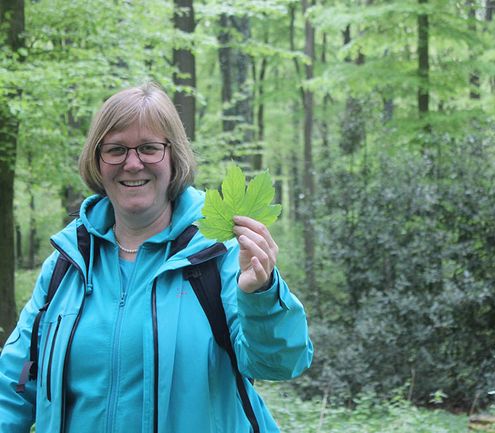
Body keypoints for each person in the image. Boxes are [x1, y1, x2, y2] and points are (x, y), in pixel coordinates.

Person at [0, 82, 313, 433]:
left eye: (149, 148)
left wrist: (261, 294)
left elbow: (282, 362)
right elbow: (12, 388)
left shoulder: (217, 256)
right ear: (97, 160)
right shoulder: (67, 265)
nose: (132, 164)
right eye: (116, 149)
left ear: (174, 156)